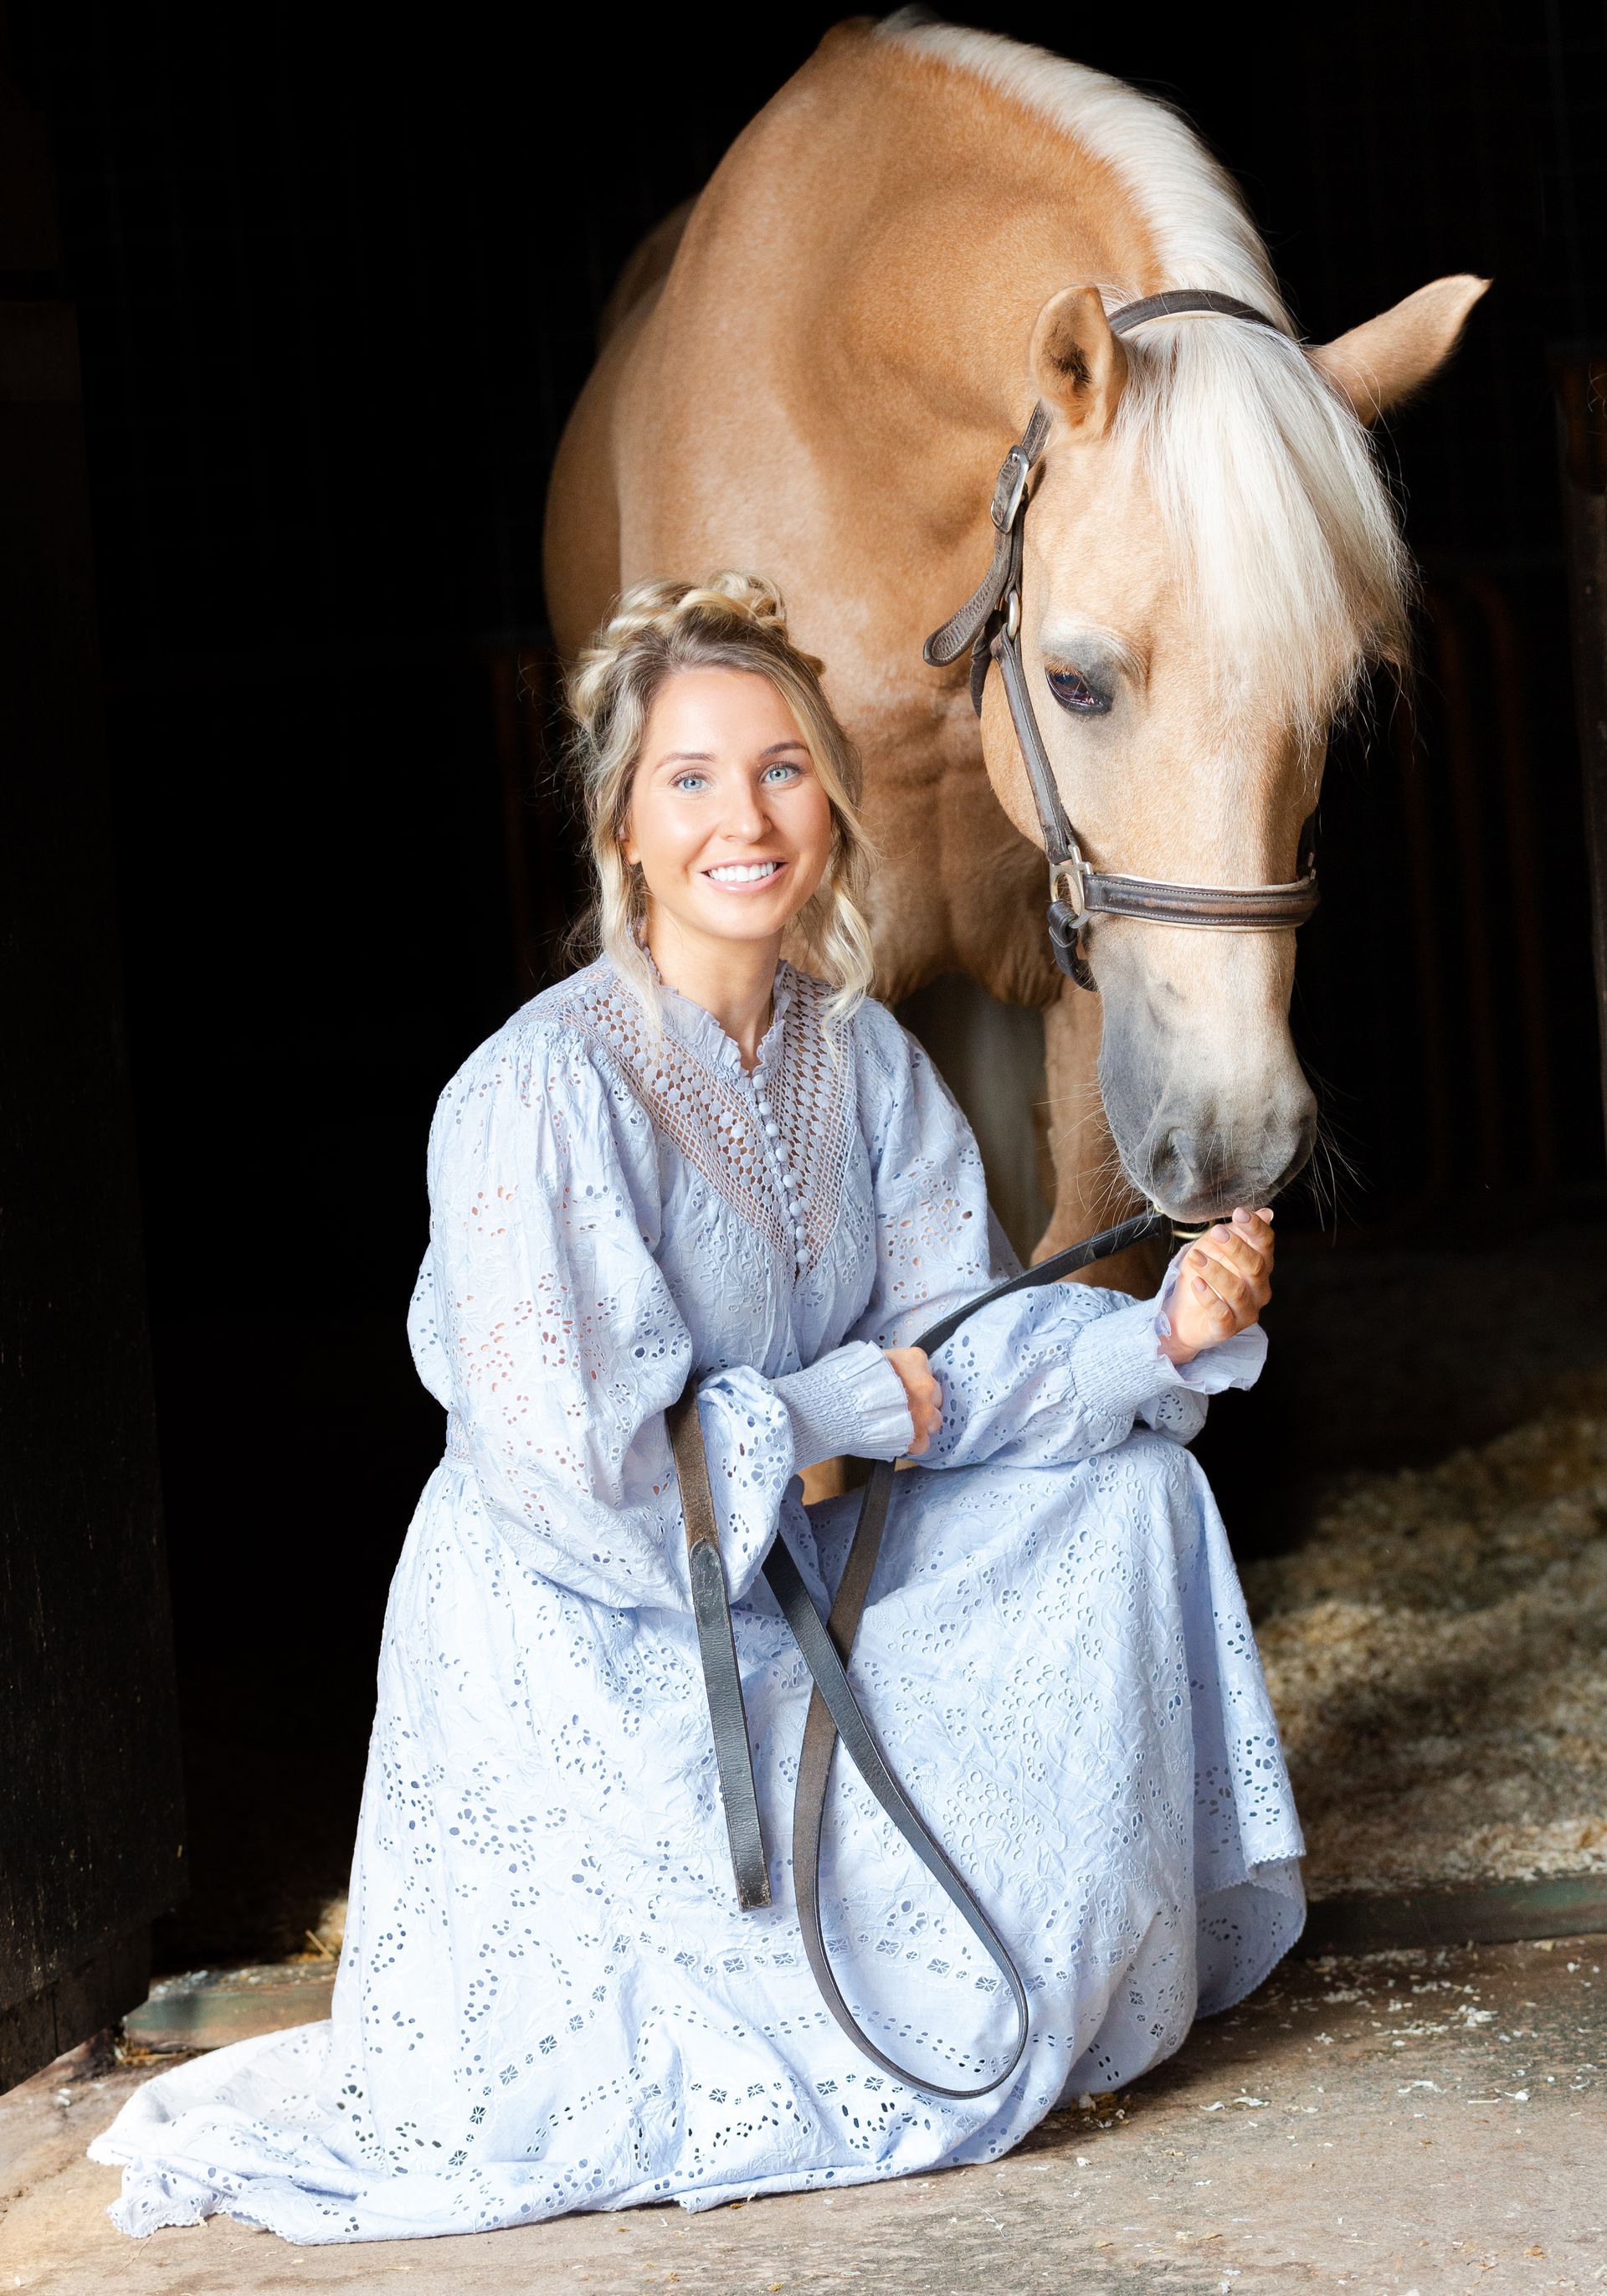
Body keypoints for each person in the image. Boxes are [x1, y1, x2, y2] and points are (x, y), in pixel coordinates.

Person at [90, 572, 1302, 2243]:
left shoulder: (864, 1059)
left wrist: (1161, 1329)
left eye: (786, 768)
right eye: (693, 777)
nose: (749, 814)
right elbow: (578, 1474)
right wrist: (823, 1408)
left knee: (1137, 1494)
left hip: (782, 1585)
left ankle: (1056, 1957)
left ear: (830, 807)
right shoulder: (533, 1094)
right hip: (585, 1641)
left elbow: (951, 1355)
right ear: (625, 829)